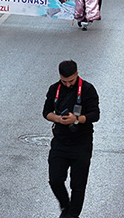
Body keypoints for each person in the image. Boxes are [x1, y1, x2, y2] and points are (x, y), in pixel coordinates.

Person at [43, 59, 100, 218]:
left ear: (77, 74)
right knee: (55, 179)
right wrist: (58, 119)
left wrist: (76, 119)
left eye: (71, 81)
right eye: (64, 81)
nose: (68, 84)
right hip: (60, 141)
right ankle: (65, 205)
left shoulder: (88, 89)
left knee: (78, 185)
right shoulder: (55, 89)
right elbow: (46, 112)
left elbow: (95, 115)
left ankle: (72, 215)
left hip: (81, 143)